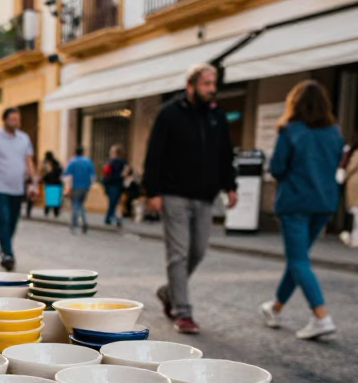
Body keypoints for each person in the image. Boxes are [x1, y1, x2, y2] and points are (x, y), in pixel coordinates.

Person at [142, 63, 237, 335]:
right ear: (191, 86)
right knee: (178, 253)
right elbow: (154, 153)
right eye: (206, 83)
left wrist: (230, 186)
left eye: (213, 83)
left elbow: (224, 154)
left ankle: (168, 292)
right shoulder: (170, 114)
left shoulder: (216, 116)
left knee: (198, 251)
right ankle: (183, 312)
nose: (211, 89)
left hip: (205, 195)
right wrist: (152, 191)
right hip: (174, 194)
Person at [258, 81, 344, 340]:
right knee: (299, 260)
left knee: (298, 261)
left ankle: (321, 317)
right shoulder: (334, 133)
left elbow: (277, 169)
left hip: (295, 202)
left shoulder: (290, 131)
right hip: (324, 202)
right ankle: (275, 308)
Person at [0, 107, 37, 270]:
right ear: (5, 120)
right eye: (12, 119)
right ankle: (8, 254)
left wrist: (34, 184)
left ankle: (4, 248)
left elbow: (29, 162)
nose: (16, 122)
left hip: (17, 188)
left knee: (13, 222)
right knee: (4, 219)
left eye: (17, 119)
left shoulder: (24, 139)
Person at [64, 146, 96, 234]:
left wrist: (67, 187)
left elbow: (66, 175)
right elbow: (93, 176)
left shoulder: (72, 162)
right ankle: (84, 222)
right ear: (83, 152)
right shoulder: (88, 162)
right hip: (85, 188)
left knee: (75, 206)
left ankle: (73, 226)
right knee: (81, 205)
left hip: (75, 187)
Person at [102, 145, 129, 226]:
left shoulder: (112, 162)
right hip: (116, 185)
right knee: (114, 202)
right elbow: (127, 172)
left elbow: (105, 174)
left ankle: (110, 218)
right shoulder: (122, 162)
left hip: (111, 185)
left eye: (111, 151)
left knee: (113, 202)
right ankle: (112, 218)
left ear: (114, 152)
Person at [41, 152, 63, 218]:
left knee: (51, 199)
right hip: (54, 183)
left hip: (52, 183)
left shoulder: (52, 164)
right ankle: (52, 212)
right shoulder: (55, 163)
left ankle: (50, 212)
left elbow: (44, 174)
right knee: (52, 199)